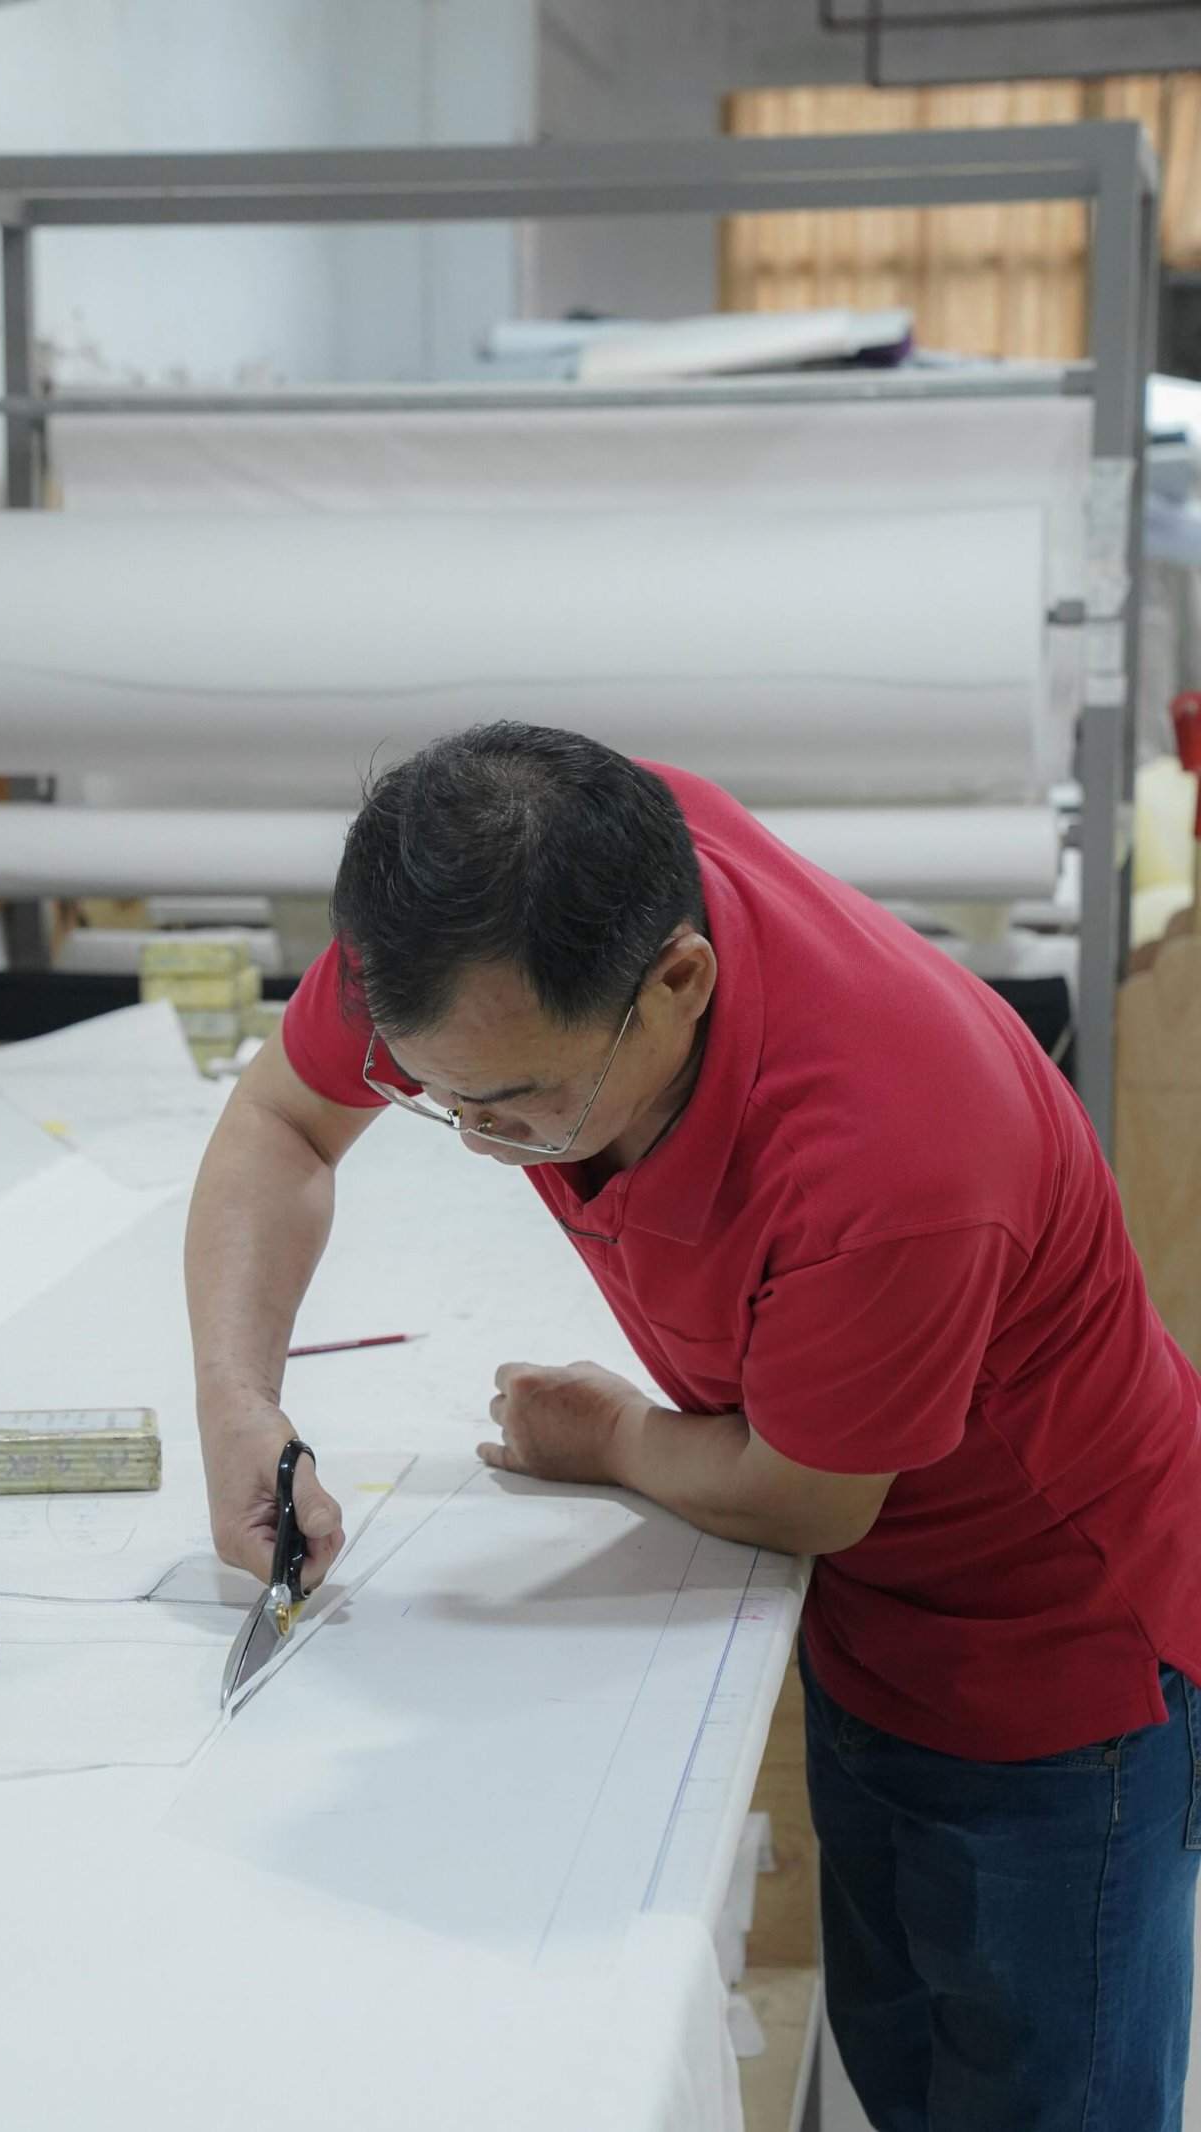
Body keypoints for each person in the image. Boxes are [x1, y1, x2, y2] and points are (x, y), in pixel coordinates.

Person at [185, 721, 1201, 2131]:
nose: (476, 1139)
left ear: (678, 982)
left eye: (515, 1105)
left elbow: (807, 1496)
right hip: (866, 1612)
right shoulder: (498, 907)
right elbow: (285, 1118)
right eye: (437, 1098)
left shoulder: (896, 1157)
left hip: (1054, 1651)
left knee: (1036, 2088)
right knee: (901, 2055)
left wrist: (612, 1436)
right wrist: (238, 1404)